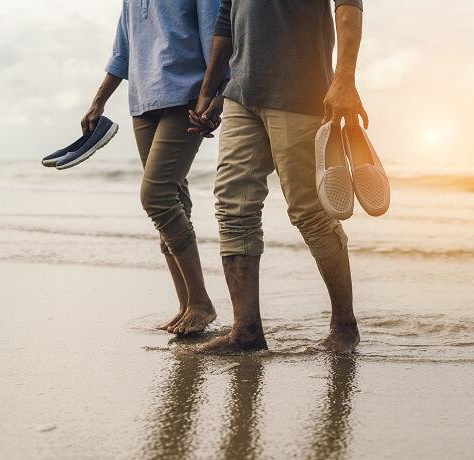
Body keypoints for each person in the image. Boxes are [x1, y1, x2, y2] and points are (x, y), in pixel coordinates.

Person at [189, 0, 368, 353]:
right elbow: (227, 18)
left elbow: (349, 5)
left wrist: (345, 78)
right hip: (241, 93)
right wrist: (209, 90)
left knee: (310, 212)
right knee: (232, 206)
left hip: (301, 91)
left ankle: (345, 326)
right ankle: (246, 331)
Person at [82, 0, 224, 335]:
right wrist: (99, 100)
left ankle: (201, 303)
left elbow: (217, 37)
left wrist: (215, 96)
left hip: (187, 98)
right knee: (173, 199)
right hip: (143, 102)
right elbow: (122, 51)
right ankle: (187, 304)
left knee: (157, 196)